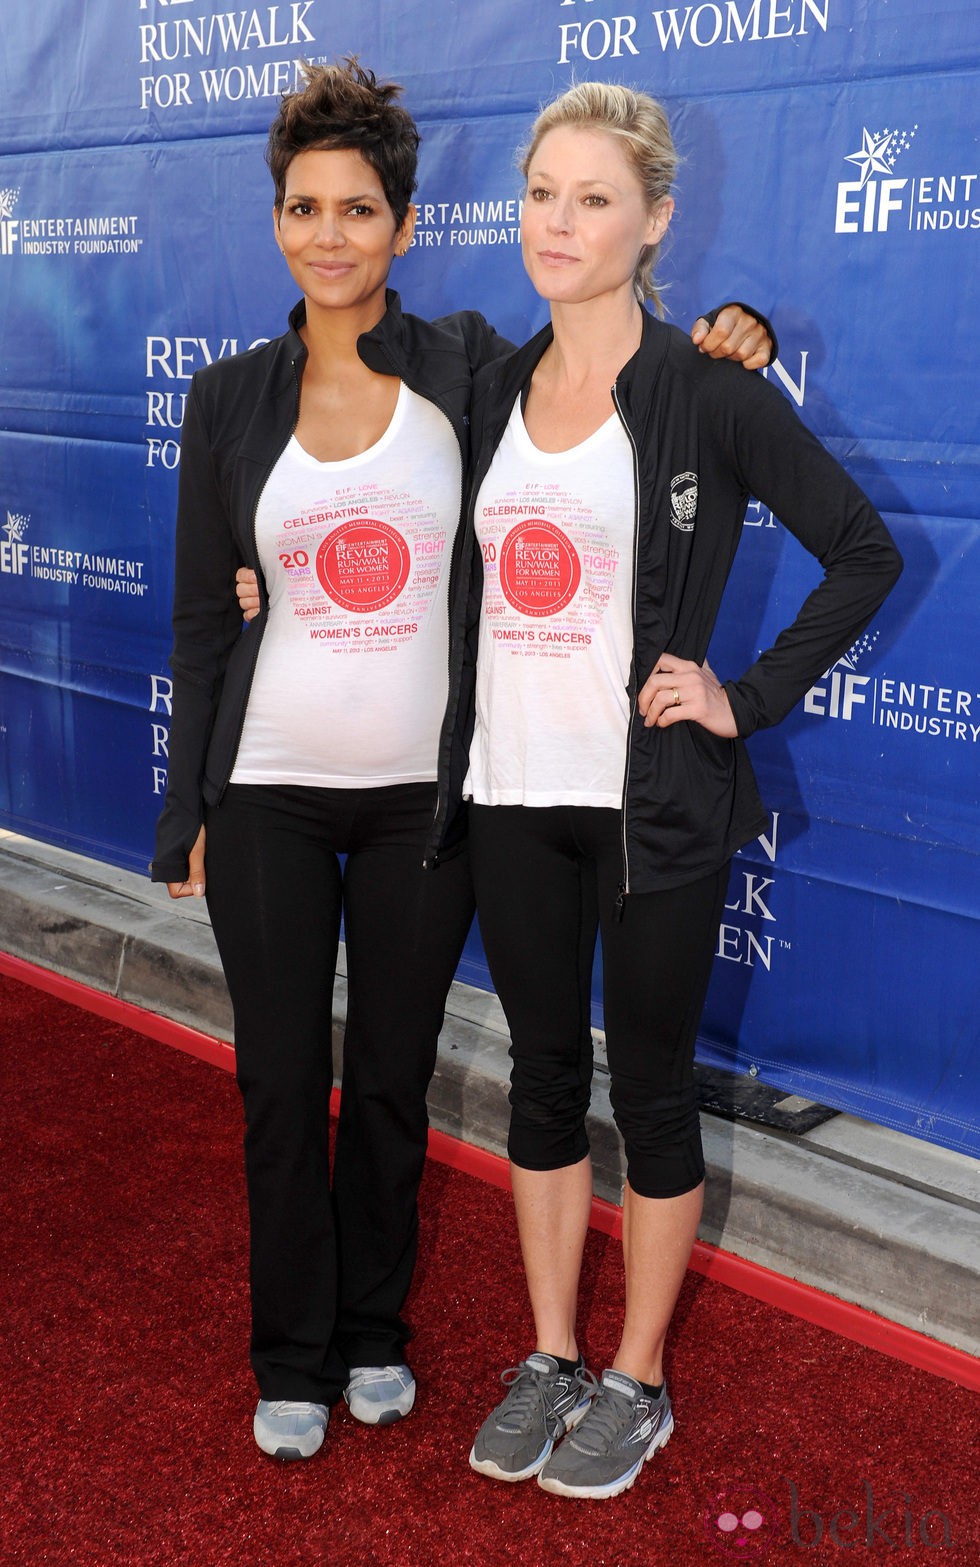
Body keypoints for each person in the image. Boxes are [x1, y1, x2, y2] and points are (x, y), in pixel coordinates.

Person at [155, 58, 773, 1463]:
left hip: (426, 803)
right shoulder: (228, 399)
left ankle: (377, 1331)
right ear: (276, 224)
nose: (331, 235)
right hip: (262, 787)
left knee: (389, 1075)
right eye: (305, 208)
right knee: (272, 1082)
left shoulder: (468, 367)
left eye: (360, 209)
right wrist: (181, 800)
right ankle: (290, 1355)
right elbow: (205, 617)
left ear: (406, 228)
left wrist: (737, 335)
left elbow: (612, 373)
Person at [428, 82, 902, 1501]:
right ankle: (553, 1353)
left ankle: (637, 1377)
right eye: (539, 194)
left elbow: (863, 550)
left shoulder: (708, 388)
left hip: (654, 810)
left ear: (654, 222)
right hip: (513, 791)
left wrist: (741, 697)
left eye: (591, 197)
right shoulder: (490, 384)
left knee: (650, 1097)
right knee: (538, 1083)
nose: (557, 223)